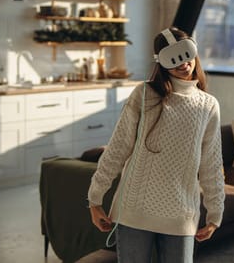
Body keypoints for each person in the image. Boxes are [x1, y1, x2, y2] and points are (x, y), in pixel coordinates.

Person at [87, 27, 225, 263]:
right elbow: (118, 148)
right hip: (134, 211)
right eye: (174, 58)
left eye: (187, 54)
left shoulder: (208, 105)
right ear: (161, 62)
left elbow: (211, 164)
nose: (183, 64)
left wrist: (215, 213)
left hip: (181, 214)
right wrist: (95, 198)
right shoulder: (144, 95)